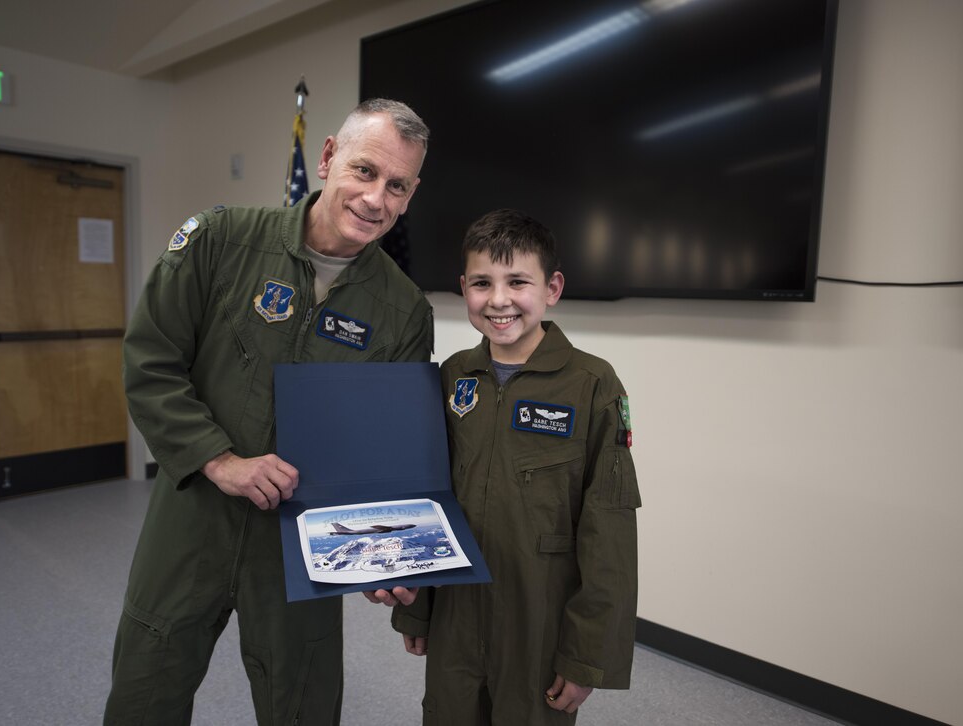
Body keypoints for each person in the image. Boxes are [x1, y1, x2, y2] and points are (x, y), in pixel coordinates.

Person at [104, 99, 432, 726]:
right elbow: (151, 359)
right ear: (330, 156)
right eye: (365, 171)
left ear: (410, 195)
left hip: (305, 543)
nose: (375, 199)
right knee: (147, 689)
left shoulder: (402, 310)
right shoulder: (220, 240)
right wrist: (218, 460)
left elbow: (388, 449)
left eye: (397, 186)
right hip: (193, 516)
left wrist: (388, 554)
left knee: (302, 701)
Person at [392, 209, 641, 724]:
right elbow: (427, 496)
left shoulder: (592, 385)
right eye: (482, 283)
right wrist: (416, 607)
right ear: (463, 287)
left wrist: (586, 656)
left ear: (552, 288)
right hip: (457, 612)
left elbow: (608, 530)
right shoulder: (453, 377)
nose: (499, 300)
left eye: (517, 282)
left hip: (539, 620)